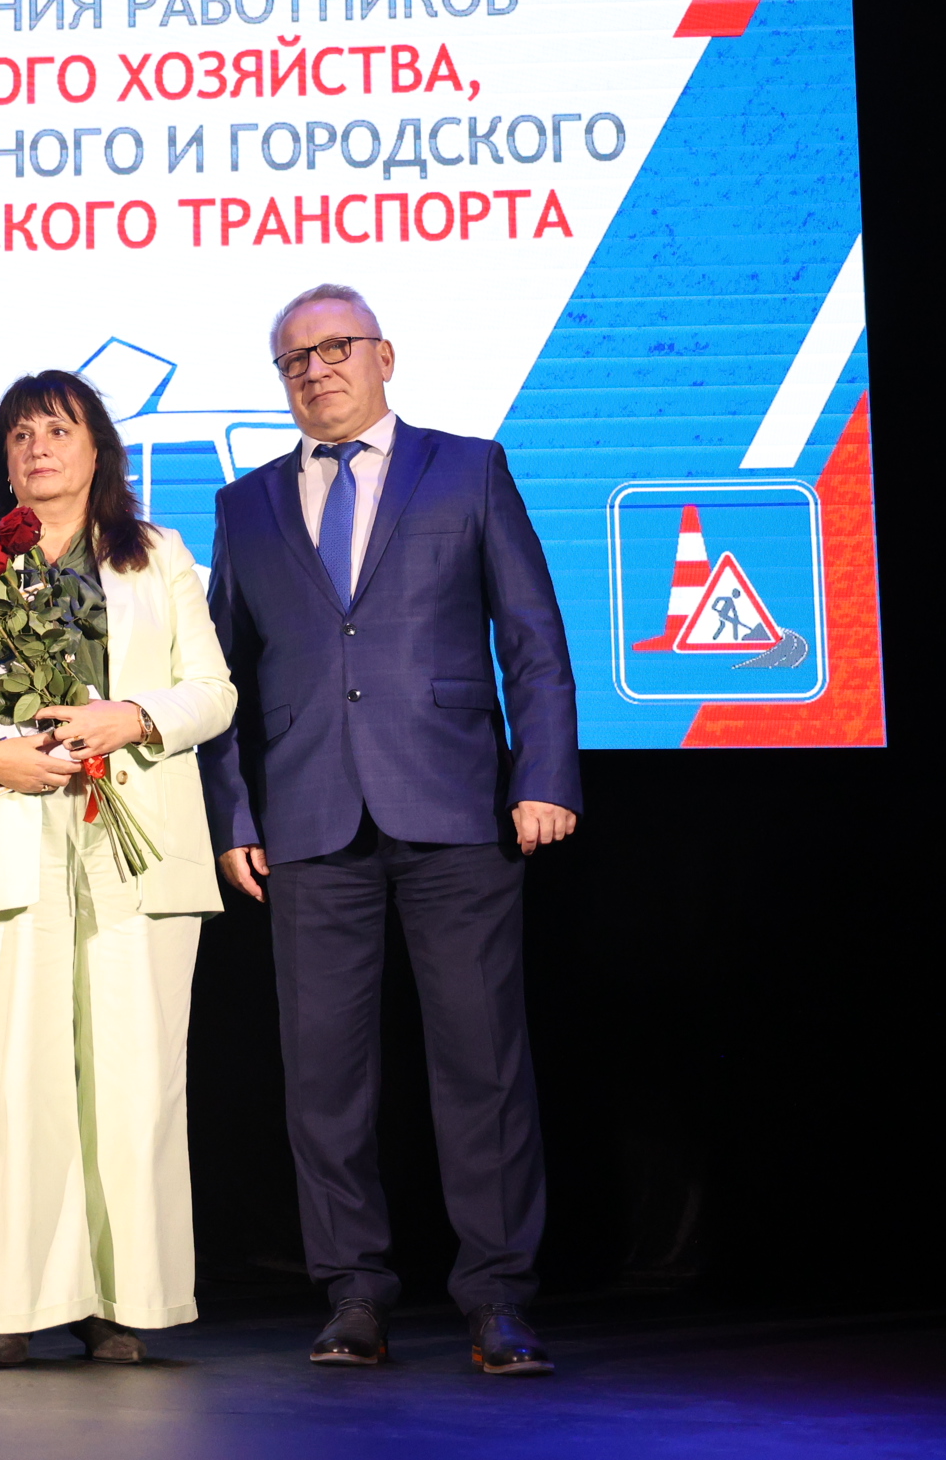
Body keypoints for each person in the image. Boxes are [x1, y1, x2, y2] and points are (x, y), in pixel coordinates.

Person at [199, 284, 582, 1375]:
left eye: (336, 348)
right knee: (324, 1077)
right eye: (295, 359)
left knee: (482, 1065)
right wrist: (233, 814)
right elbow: (221, 679)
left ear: (385, 356)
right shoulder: (246, 505)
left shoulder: (468, 469)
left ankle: (497, 1297)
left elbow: (534, 638)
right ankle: (353, 1293)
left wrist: (544, 772)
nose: (316, 370)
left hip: (459, 809)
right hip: (307, 822)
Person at [0, 370, 236, 1369]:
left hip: (135, 840)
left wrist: (134, 716)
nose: (38, 447)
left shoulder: (156, 555)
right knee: (11, 1080)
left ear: (97, 450)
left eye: (58, 429)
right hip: (10, 830)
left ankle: (125, 1300)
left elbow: (213, 691)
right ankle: (12, 1299)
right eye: (20, 434)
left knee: (133, 1081)